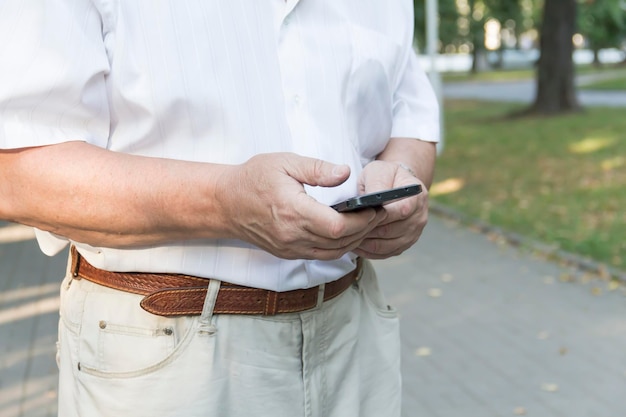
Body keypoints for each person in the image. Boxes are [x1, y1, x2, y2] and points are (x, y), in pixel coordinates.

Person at [0, 1, 439, 416]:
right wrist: (226, 202)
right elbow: (16, 173)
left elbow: (410, 118)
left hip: (355, 333)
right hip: (167, 352)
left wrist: (402, 181)